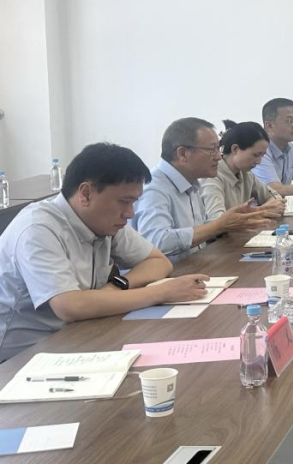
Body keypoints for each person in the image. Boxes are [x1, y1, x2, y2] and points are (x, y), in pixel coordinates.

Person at [0, 143, 209, 362]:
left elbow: (158, 261)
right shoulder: (38, 229)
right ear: (86, 194)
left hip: (76, 336)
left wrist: (118, 285)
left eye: (133, 202)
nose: (130, 213)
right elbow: (70, 306)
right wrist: (162, 292)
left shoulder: (104, 221)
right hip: (19, 359)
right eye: (124, 201)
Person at [134, 117, 272, 261]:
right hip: (170, 273)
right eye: (212, 150)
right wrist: (219, 225)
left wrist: (234, 222)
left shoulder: (191, 183)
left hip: (196, 265)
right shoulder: (154, 188)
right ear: (182, 153)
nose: (218, 157)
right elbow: (156, 241)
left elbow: (199, 231)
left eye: (218, 149)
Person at [200, 120, 286, 221]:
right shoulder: (212, 177)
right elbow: (217, 220)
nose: (259, 161)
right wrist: (261, 211)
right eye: (256, 155)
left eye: (262, 156)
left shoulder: (246, 175)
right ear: (235, 149)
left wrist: (265, 208)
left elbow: (275, 196)